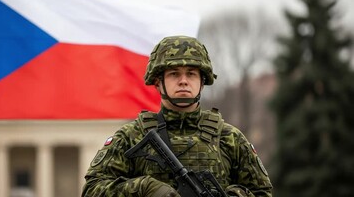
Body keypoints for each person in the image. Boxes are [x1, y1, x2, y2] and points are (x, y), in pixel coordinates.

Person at [81, 35, 272, 197]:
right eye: (174, 74)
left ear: (202, 82)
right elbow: (92, 190)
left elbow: (262, 192)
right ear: (158, 82)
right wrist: (144, 188)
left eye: (191, 74)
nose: (183, 81)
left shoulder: (230, 139)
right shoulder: (131, 137)